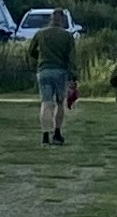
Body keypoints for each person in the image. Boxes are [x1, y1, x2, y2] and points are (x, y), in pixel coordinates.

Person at [30, 14, 80, 145]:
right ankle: (57, 133)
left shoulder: (40, 33)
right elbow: (71, 57)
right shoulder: (67, 36)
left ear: (50, 20)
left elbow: (31, 51)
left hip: (44, 70)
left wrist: (40, 58)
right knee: (59, 103)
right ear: (62, 20)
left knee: (46, 103)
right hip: (60, 71)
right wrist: (73, 75)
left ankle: (45, 135)